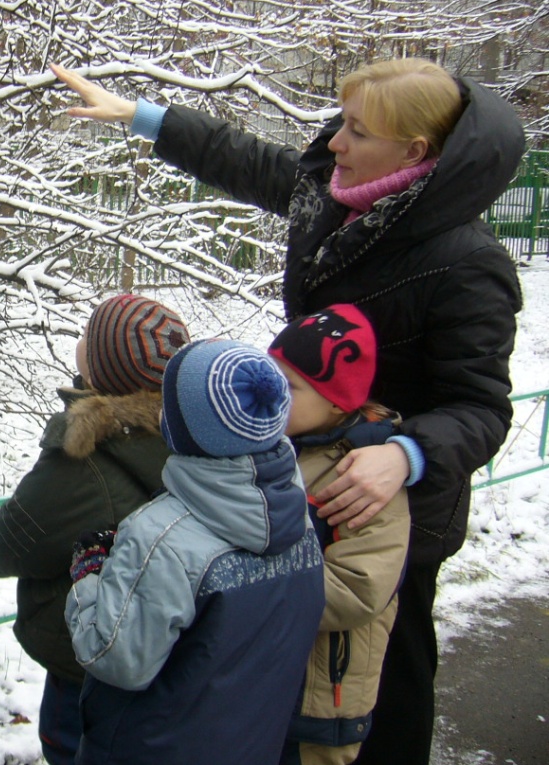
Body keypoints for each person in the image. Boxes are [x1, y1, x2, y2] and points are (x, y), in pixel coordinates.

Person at [53, 57, 524, 764]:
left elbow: (481, 406)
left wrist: (404, 453)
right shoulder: (338, 193)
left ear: (413, 153)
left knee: (374, 694)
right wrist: (140, 116)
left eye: (355, 131)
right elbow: (248, 161)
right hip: (300, 480)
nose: (333, 142)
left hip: (384, 516)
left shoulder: (466, 262)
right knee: (286, 688)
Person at [65, 338, 324, 765]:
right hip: (251, 742)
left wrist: (89, 576)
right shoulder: (296, 511)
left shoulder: (160, 538)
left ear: (182, 426)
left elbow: (113, 656)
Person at [0, 294, 189, 765]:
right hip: (168, 674)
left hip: (84, 674)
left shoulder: (85, 462)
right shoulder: (197, 434)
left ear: (101, 372)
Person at [268, 304, 410, 765]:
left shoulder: (362, 475)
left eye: (287, 386)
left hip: (321, 695)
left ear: (336, 401)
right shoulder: (273, 450)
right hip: (265, 681)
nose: (269, 392)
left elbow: (358, 588)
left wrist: (246, 585)